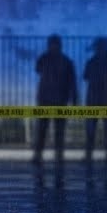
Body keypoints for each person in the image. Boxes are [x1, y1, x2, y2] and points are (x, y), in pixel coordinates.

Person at [32, 34, 76, 164]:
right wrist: (73, 98)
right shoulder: (66, 61)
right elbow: (72, 82)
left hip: (50, 99)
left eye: (53, 44)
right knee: (51, 129)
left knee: (49, 129)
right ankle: (54, 155)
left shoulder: (45, 59)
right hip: (54, 99)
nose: (52, 47)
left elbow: (38, 69)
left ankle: (43, 155)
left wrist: (73, 98)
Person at [82, 37, 107, 161]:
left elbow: (86, 76)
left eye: (99, 47)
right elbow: (86, 76)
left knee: (105, 129)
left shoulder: (97, 61)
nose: (98, 49)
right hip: (100, 99)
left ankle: (105, 154)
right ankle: (92, 154)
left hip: (102, 99)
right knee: (93, 129)